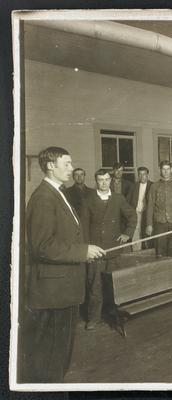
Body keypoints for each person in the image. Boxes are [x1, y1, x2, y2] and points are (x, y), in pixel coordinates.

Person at [23, 147, 105, 382]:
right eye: (67, 164)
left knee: (59, 355)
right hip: (53, 292)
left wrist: (84, 252)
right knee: (51, 358)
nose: (71, 168)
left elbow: (64, 238)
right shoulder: (43, 198)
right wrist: (82, 251)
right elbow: (42, 246)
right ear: (51, 166)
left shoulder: (58, 193)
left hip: (63, 288)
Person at [80, 169, 137, 330]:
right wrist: (86, 250)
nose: (104, 183)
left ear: (111, 181)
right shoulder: (88, 200)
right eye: (100, 180)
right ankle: (94, 318)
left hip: (113, 250)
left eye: (106, 179)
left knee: (114, 285)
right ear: (96, 181)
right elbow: (83, 227)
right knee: (94, 286)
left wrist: (127, 234)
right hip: (95, 251)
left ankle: (115, 315)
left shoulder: (118, 198)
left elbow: (132, 217)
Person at [146, 160, 172, 257]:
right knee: (160, 252)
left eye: (168, 169)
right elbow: (150, 206)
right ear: (160, 170)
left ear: (171, 170)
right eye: (163, 169)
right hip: (160, 224)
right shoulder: (154, 186)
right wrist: (149, 224)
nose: (166, 171)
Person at [127, 166, 153, 251]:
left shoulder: (153, 185)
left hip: (148, 214)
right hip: (136, 213)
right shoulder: (133, 186)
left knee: (147, 234)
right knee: (135, 234)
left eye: (144, 174)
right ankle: (136, 253)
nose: (142, 176)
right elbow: (128, 201)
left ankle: (148, 253)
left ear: (147, 175)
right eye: (140, 174)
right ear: (138, 175)